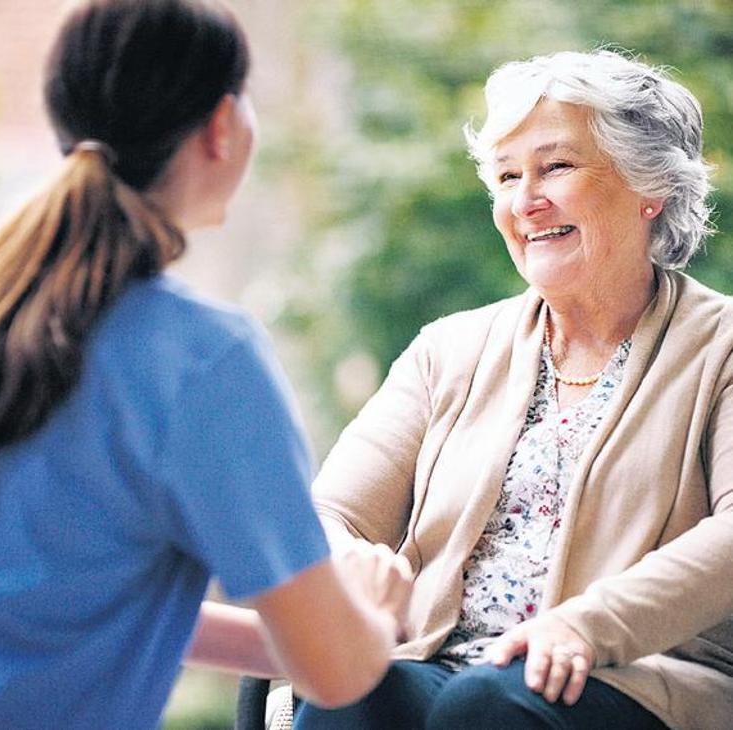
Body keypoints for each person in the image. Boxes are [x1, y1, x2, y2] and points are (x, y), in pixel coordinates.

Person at [0, 1, 412, 728]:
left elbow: (61, 601)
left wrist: (302, 633)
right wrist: (374, 617)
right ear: (223, 127)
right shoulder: (202, 362)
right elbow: (339, 674)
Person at [294, 49, 733, 730]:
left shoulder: (722, 347)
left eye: (555, 167)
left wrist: (587, 627)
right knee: (350, 692)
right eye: (506, 176)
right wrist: (350, 562)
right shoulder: (448, 348)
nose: (524, 201)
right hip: (438, 664)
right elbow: (330, 514)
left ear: (652, 187)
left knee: (487, 704)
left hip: (637, 676)